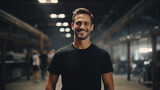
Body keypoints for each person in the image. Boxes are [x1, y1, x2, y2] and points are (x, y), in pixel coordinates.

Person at [46, 8, 114, 90]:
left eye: (86, 23)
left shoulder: (102, 55)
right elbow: (50, 84)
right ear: (72, 26)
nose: (82, 27)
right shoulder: (60, 55)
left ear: (91, 27)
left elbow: (109, 85)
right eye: (78, 23)